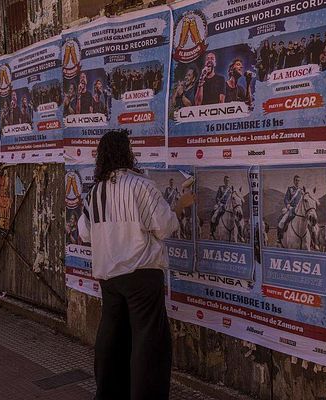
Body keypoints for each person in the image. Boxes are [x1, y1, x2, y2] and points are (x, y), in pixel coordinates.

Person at [78, 130, 194, 400]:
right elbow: (164, 227)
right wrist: (180, 205)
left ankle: (107, 393)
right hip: (142, 275)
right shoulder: (141, 186)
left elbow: (84, 233)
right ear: (127, 153)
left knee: (112, 336)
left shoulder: (95, 192)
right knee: (148, 340)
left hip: (109, 278)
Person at [277, 175, 304, 244]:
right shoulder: (290, 189)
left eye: (298, 180)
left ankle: (313, 241)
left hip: (299, 210)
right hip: (291, 209)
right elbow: (286, 199)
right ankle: (280, 237)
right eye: (296, 180)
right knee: (281, 221)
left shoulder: (301, 191)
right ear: (294, 181)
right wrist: (288, 206)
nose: (297, 182)